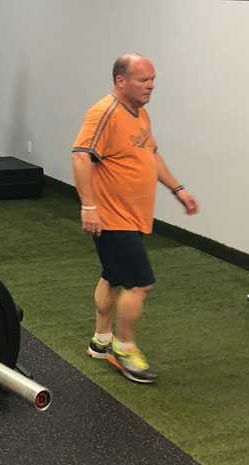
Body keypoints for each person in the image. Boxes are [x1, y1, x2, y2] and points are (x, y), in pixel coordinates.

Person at [71, 54, 199, 384]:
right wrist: (89, 207)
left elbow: (150, 154)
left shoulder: (140, 114)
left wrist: (177, 188)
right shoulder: (105, 112)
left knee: (112, 278)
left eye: (152, 79)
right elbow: (81, 155)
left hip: (133, 217)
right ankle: (125, 349)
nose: (151, 86)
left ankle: (102, 341)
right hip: (113, 219)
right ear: (121, 81)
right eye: (144, 80)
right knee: (138, 284)